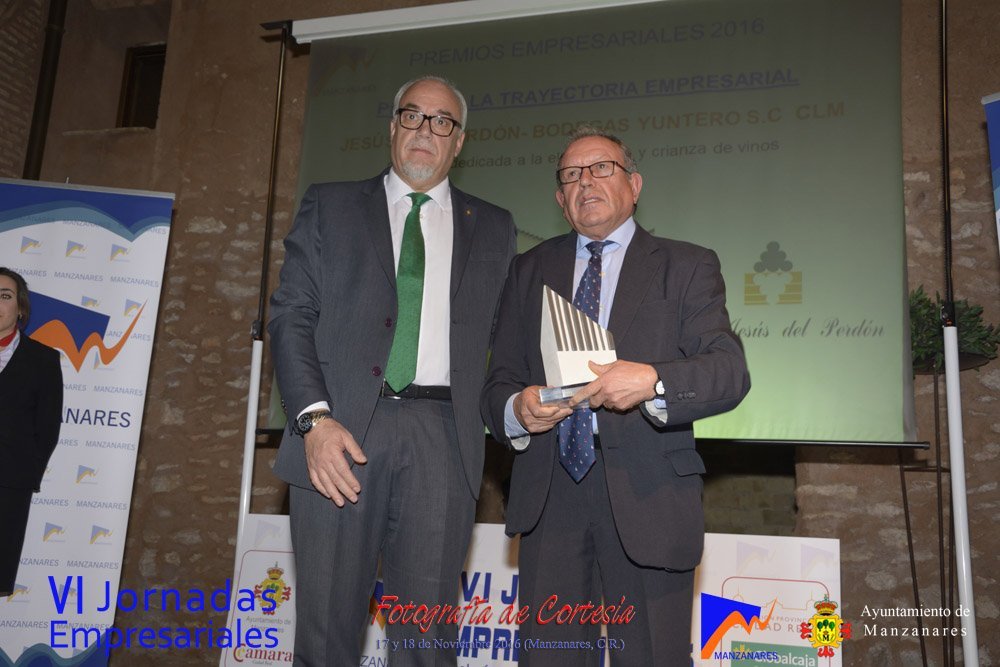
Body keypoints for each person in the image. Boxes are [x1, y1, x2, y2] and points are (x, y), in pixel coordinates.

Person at [268, 76, 516, 666]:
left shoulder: (495, 225)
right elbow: (290, 316)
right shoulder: (330, 205)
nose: (425, 130)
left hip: (444, 440)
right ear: (392, 127)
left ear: (460, 141)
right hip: (340, 431)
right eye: (412, 115)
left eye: (442, 121)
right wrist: (313, 422)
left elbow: (508, 339)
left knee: (426, 643)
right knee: (326, 636)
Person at [481, 127, 750, 665]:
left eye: (601, 168)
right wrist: (516, 409)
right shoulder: (527, 270)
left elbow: (729, 372)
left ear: (635, 185)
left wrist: (652, 380)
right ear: (560, 200)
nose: (586, 182)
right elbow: (498, 382)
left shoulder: (687, 265)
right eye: (571, 175)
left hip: (650, 495)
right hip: (550, 498)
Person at [0, 267, 63, 596]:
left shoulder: (43, 360)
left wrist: (23, 475)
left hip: (8, 487)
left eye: (5, 296)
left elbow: (47, 428)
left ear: (20, 308)